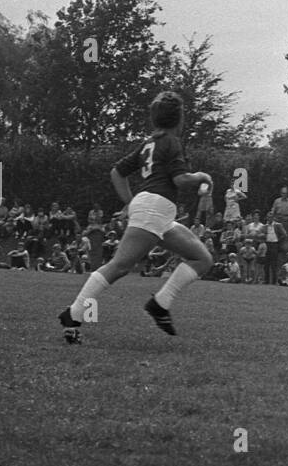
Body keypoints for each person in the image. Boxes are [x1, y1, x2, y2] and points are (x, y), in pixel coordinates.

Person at [58, 92, 214, 339]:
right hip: (155, 207)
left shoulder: (149, 143)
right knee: (120, 266)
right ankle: (74, 314)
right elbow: (180, 179)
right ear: (180, 119)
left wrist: (132, 202)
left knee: (202, 258)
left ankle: (160, 304)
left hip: (156, 210)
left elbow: (117, 172)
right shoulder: (172, 141)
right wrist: (202, 177)